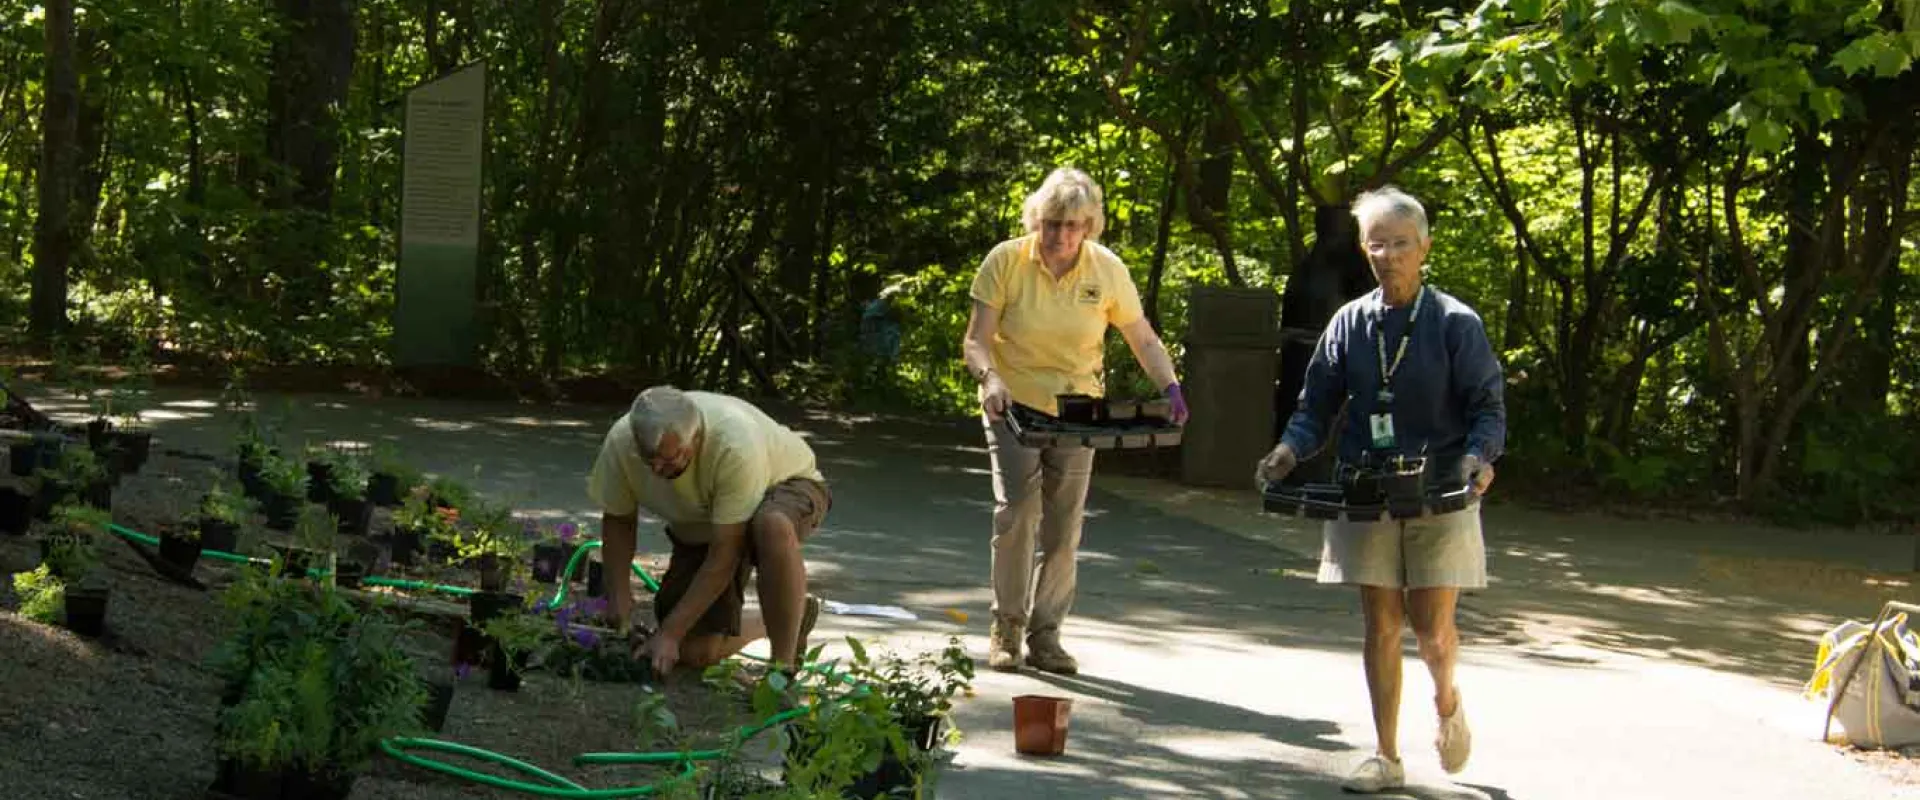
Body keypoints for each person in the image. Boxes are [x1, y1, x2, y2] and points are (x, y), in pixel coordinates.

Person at [1255, 187, 1505, 792]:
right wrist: (1289, 450)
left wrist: (1479, 457)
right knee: (1380, 622)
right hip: (1365, 489)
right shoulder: (1350, 322)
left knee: (1432, 628)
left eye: (1399, 243)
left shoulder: (1454, 322)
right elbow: (1315, 405)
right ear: (1364, 251)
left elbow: (1486, 406)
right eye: (1376, 244)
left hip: (1440, 489)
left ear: (1423, 248)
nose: (1388, 255)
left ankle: (1448, 701)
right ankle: (1387, 755)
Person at [960, 166, 1189, 675]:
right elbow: (975, 340)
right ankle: (1007, 628)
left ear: (1089, 227)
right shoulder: (1006, 260)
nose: (1060, 235)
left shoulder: (1105, 269)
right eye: (1052, 222)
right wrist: (990, 379)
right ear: (1036, 219)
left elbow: (1141, 336)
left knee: (1064, 529)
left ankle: (1047, 635)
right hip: (1012, 403)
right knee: (1018, 511)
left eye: (1072, 225)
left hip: (1077, 409)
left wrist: (1169, 386)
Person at [586, 385, 829, 678]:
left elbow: (726, 552)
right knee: (694, 651)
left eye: (670, 459)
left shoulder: (733, 444)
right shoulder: (621, 443)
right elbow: (619, 520)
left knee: (772, 525)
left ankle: (781, 671)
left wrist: (670, 634)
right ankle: (785, 616)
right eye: (649, 460)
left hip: (785, 485)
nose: (658, 470)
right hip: (706, 523)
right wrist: (618, 594)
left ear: (697, 437)